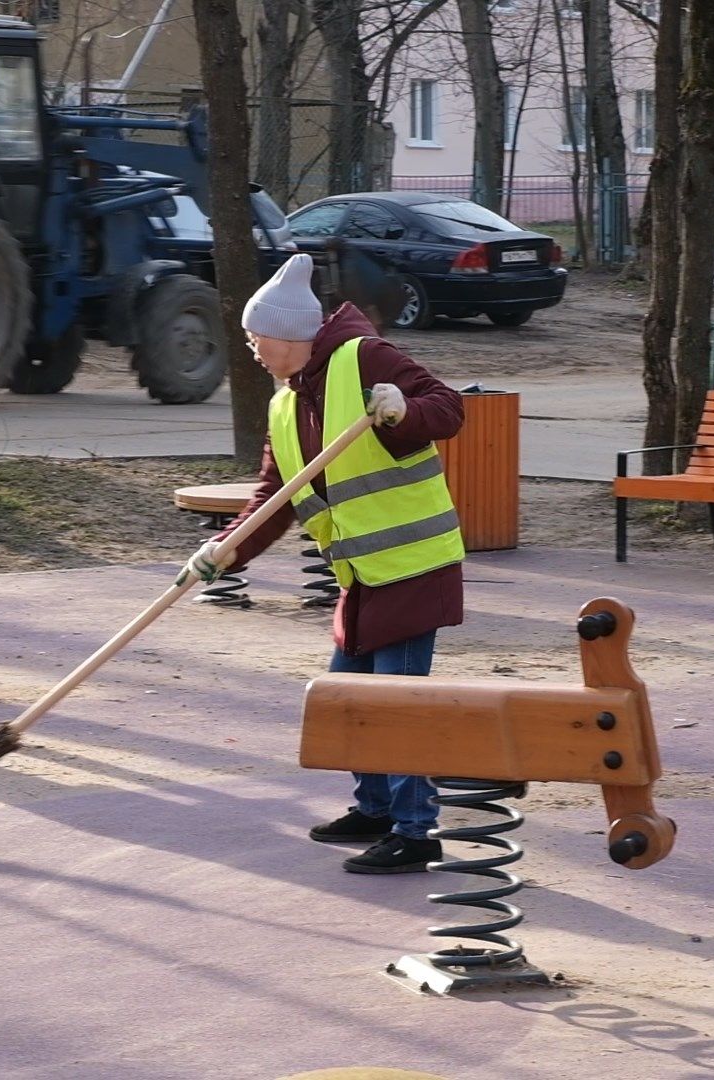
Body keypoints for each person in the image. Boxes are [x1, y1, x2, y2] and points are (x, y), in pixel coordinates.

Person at [184, 254, 466, 874]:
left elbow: (446, 408)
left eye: (257, 337)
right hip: (361, 575)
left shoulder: (363, 359)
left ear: (288, 335)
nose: (252, 348)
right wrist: (225, 550)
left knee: (397, 703)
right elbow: (272, 499)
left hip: (412, 564)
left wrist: (401, 409)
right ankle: (374, 808)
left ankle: (417, 830)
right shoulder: (285, 403)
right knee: (348, 698)